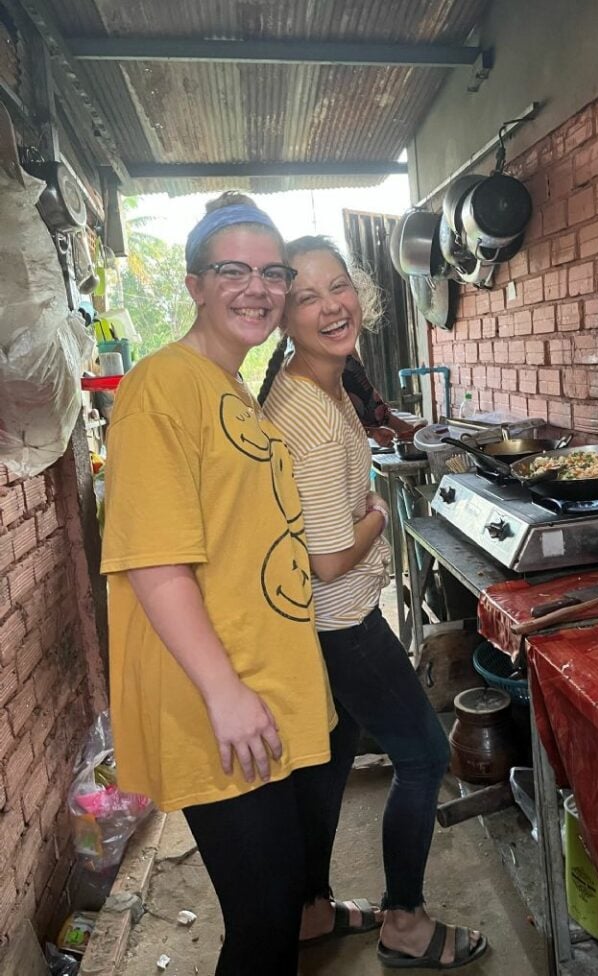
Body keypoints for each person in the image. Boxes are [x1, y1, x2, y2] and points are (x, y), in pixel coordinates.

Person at [100, 193, 337, 976]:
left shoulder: (230, 385)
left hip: (257, 679)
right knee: (264, 921)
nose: (258, 288)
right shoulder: (160, 387)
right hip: (216, 694)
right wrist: (224, 691)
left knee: (279, 908)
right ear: (195, 283)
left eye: (273, 272)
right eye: (233, 269)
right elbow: (154, 561)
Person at [259, 235, 488, 970]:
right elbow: (328, 560)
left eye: (339, 287)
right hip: (341, 619)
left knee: (328, 760)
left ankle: (312, 911)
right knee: (423, 754)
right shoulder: (313, 418)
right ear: (282, 316)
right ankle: (405, 923)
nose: (331, 307)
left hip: (320, 620)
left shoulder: (319, 383)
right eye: (306, 297)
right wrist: (381, 514)